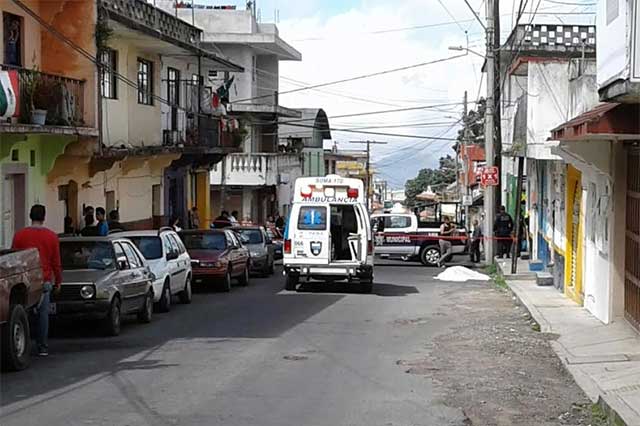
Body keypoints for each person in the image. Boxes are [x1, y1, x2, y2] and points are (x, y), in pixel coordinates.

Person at [11, 204, 62, 357]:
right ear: (44, 217)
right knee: (43, 315)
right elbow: (56, 262)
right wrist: (58, 281)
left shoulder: (19, 235)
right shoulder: (52, 236)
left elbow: (14, 259)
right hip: (44, 281)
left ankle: (23, 345)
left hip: (24, 282)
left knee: (22, 314)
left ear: (30, 216)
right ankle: (42, 347)